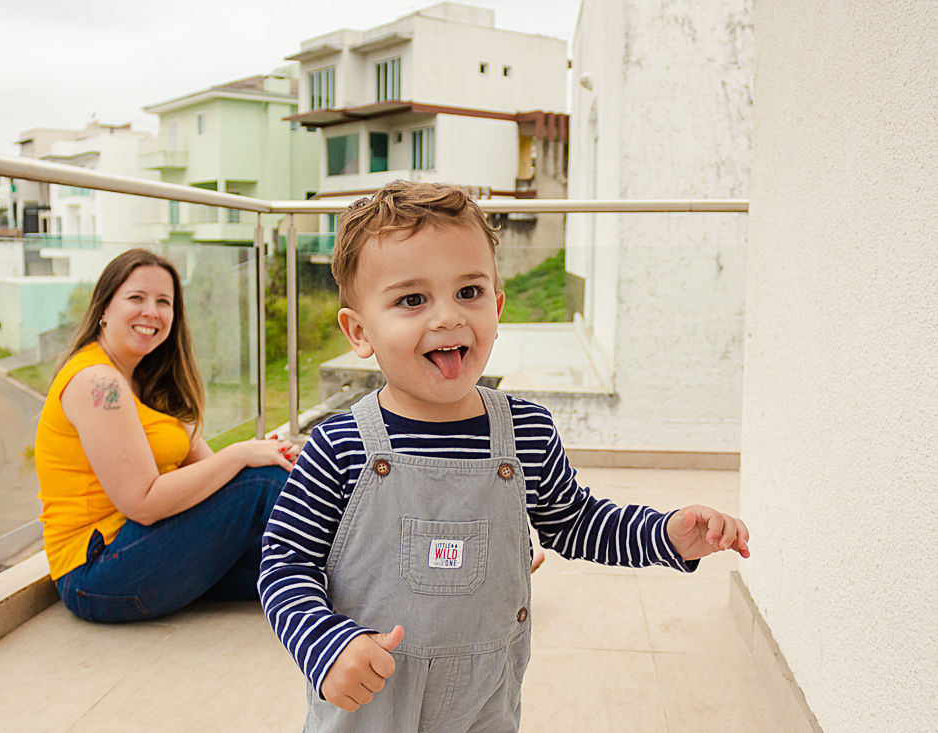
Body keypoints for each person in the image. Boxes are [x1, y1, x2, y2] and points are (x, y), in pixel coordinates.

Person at [258, 181, 750, 732]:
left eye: (468, 291)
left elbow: (577, 522)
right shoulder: (338, 445)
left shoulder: (526, 432)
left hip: (483, 707)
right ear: (359, 331)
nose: (448, 318)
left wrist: (664, 534)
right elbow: (284, 565)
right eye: (412, 300)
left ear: (496, 306)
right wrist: (326, 646)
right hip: (368, 706)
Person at [35, 248, 295, 623]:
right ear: (104, 307)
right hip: (97, 571)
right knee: (263, 482)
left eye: (163, 301)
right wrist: (242, 456)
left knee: (305, 567)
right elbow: (142, 502)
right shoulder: (97, 382)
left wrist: (267, 455)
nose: (152, 312)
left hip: (149, 549)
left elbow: (216, 479)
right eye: (136, 298)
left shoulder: (150, 382)